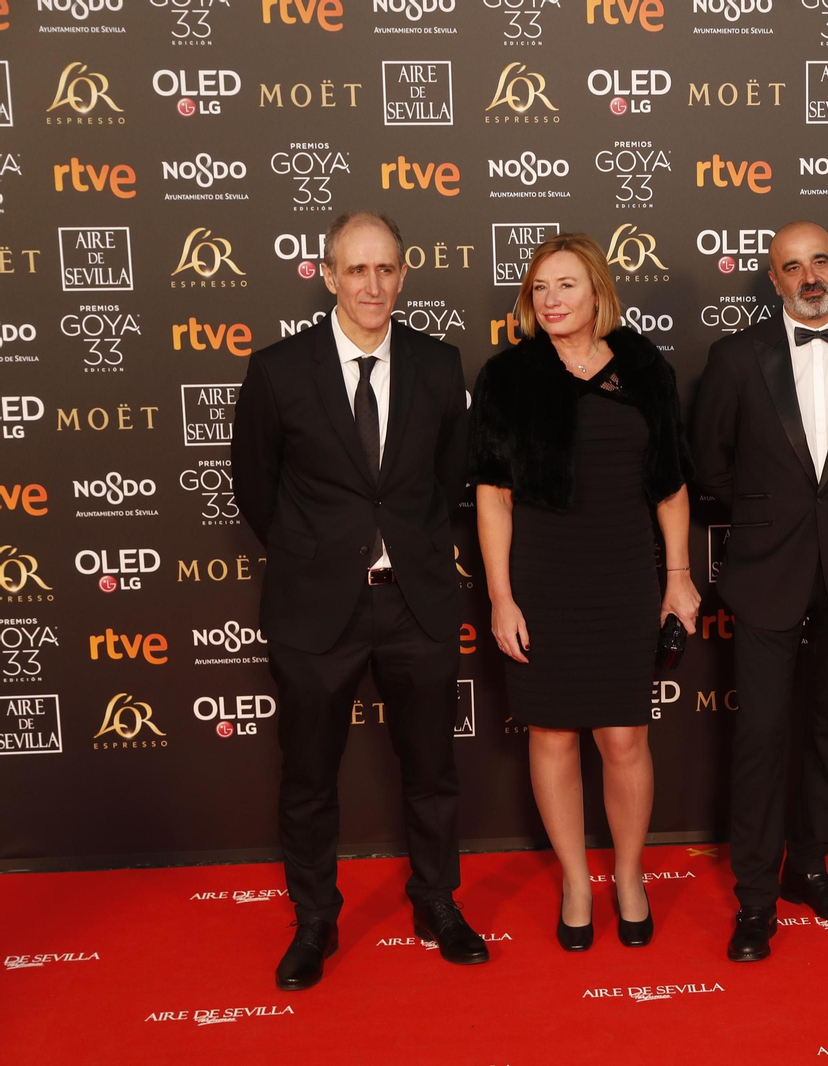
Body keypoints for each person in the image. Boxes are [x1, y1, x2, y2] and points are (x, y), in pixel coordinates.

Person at [232, 212, 486, 991]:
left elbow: (450, 482)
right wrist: (321, 556)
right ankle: (315, 921)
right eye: (357, 270)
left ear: (403, 275)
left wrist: (400, 550)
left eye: (386, 270)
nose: (372, 285)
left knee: (433, 770)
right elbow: (255, 487)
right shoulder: (278, 370)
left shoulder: (440, 367)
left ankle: (436, 902)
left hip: (416, 603)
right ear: (329, 275)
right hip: (316, 610)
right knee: (309, 775)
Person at [468, 233, 698, 952]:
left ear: (598, 291)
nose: (552, 300)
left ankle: (628, 877)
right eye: (540, 289)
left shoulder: (644, 369)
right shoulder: (509, 375)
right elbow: (493, 496)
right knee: (553, 734)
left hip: (625, 573)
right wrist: (502, 598)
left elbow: (670, 485)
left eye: (566, 285)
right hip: (542, 578)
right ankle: (575, 880)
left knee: (625, 736)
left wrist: (680, 577)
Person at [692, 221, 828, 962]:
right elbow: (711, 470)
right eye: (793, 267)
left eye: (820, 260)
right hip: (766, 574)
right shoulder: (732, 360)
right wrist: (769, 521)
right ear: (774, 279)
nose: (809, 277)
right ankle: (755, 897)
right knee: (759, 738)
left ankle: (810, 868)